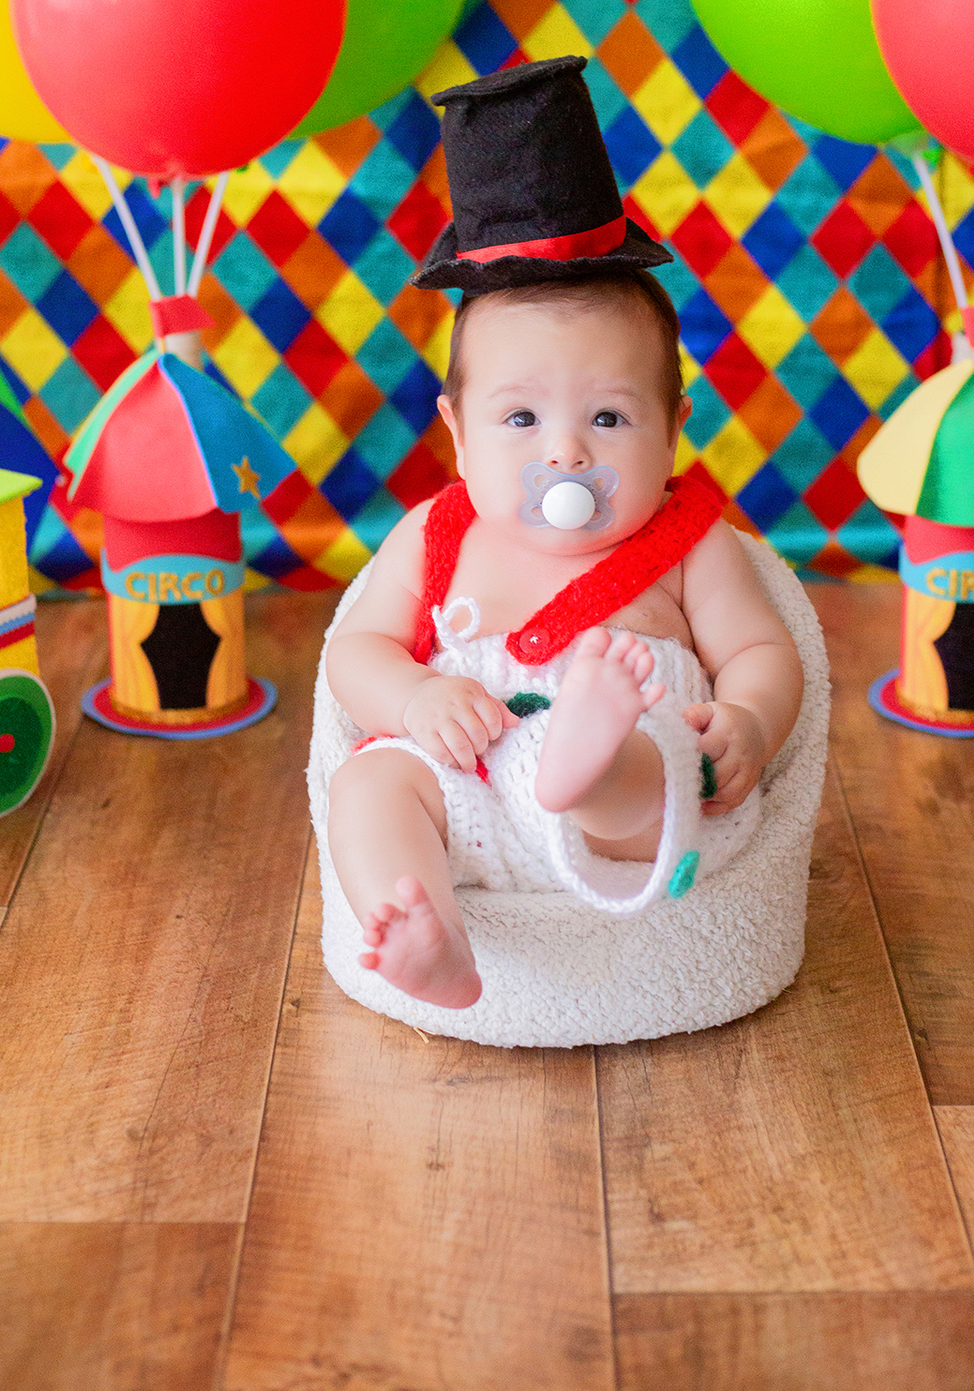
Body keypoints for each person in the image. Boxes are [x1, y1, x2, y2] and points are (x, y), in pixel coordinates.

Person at [324, 58, 804, 1009]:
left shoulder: (689, 542)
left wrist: (748, 719)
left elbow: (763, 649)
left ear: (675, 427)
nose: (567, 456)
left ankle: (588, 755)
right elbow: (356, 651)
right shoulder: (437, 533)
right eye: (520, 421)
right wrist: (417, 696)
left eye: (612, 421)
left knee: (640, 771)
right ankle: (422, 926)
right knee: (372, 789)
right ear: (457, 432)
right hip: (468, 782)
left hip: (632, 805)